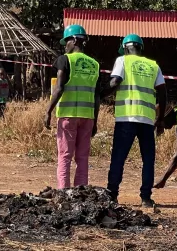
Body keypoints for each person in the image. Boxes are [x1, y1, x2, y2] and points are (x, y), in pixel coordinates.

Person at [106, 34, 168, 208]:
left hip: (126, 117)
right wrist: (160, 118)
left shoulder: (123, 60)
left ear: (126, 47)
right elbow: (163, 94)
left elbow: (115, 82)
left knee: (118, 157)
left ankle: (112, 195)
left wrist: (99, 94)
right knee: (148, 160)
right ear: (140, 48)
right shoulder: (153, 66)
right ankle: (146, 198)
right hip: (147, 119)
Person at [43, 24, 100, 189]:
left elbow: (59, 88)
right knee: (82, 157)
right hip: (87, 117)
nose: (65, 46)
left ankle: (64, 193)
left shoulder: (64, 59)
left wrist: (48, 111)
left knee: (65, 156)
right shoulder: (94, 64)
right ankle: (81, 193)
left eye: (66, 41)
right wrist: (95, 121)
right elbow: (96, 96)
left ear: (74, 40)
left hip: (68, 116)